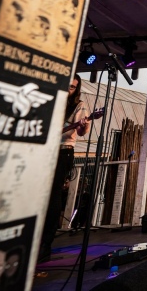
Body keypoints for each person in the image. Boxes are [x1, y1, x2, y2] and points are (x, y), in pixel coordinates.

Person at [39, 74, 89, 262]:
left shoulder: (78, 106)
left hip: (63, 152)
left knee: (53, 197)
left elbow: (83, 132)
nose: (70, 89)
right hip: (43, 150)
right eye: (68, 85)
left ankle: (46, 244)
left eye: (73, 87)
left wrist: (83, 125)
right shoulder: (50, 101)